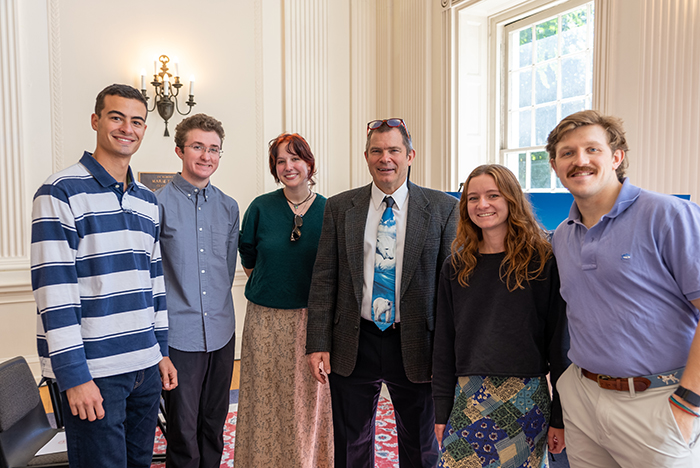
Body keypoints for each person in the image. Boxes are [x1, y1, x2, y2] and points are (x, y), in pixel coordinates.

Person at [30, 83, 177, 468]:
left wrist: (160, 351)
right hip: (96, 371)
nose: (127, 128)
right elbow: (54, 292)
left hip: (144, 366)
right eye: (116, 117)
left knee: (138, 463)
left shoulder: (147, 200)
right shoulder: (60, 191)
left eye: (137, 121)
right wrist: (74, 376)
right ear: (96, 121)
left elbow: (154, 282)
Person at [546, 110, 700, 467]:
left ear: (616, 157)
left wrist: (689, 402)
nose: (579, 160)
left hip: (657, 401)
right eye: (567, 153)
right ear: (554, 166)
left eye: (592, 150)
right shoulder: (562, 236)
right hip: (583, 398)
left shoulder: (670, 215)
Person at [306, 118, 459, 468]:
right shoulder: (341, 207)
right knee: (350, 442)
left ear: (410, 156)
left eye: (393, 150)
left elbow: (452, 290)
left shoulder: (442, 208)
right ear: (366, 156)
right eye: (377, 151)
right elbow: (324, 277)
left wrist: (448, 353)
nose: (385, 158)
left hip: (418, 344)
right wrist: (318, 342)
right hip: (354, 340)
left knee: (421, 446)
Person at [432, 164, 569, 468]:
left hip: (525, 398)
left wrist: (559, 415)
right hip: (468, 397)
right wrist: (441, 411)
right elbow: (443, 345)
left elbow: (559, 345)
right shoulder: (455, 267)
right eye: (472, 197)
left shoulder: (542, 262)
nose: (482, 205)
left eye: (493, 195)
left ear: (511, 199)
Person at [234, 133, 333, 467]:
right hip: (264, 319)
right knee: (262, 398)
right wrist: (274, 288)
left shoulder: (329, 210)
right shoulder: (260, 207)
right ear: (274, 168)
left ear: (309, 163)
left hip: (311, 321)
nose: (289, 166)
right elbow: (249, 258)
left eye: (296, 158)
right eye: (281, 161)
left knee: (306, 402)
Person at [156, 113, 239, 468]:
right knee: (182, 429)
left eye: (214, 149)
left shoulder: (229, 207)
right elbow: (152, 277)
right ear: (179, 150)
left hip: (222, 332)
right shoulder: (156, 204)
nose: (206, 156)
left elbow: (228, 267)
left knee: (213, 423)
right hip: (179, 336)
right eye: (198, 147)